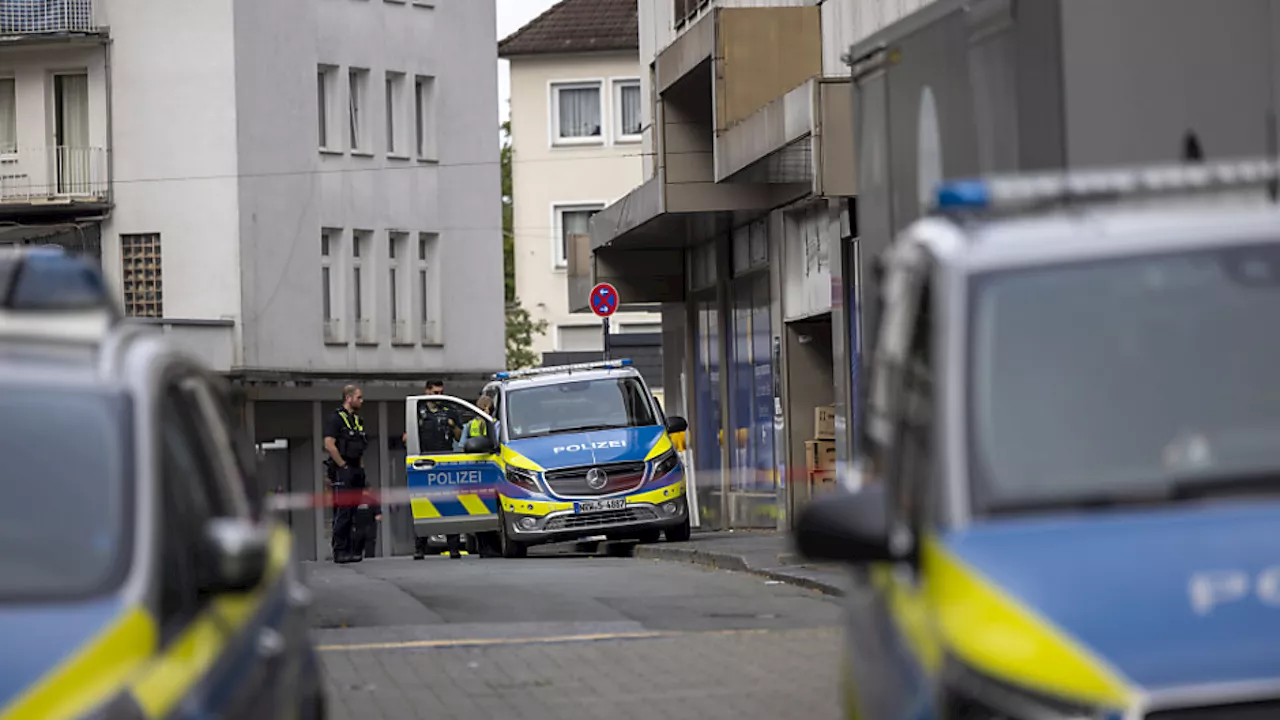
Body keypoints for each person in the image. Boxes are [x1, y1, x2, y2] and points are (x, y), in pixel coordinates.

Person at [410, 379, 464, 560]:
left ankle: (454, 547)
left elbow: (459, 436)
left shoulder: (450, 410)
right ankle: (420, 548)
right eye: (435, 393)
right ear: (427, 392)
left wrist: (452, 425)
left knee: (450, 504)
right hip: (425, 463)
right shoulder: (418, 411)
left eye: (441, 393)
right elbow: (407, 437)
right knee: (423, 504)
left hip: (446, 460)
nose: (439, 397)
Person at [324, 385, 369, 564]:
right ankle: (340, 550)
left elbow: (359, 450)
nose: (361, 401)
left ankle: (351, 550)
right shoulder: (336, 419)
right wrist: (342, 466)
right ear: (349, 398)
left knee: (353, 512)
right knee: (343, 512)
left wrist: (361, 470)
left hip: (357, 469)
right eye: (359, 397)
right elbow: (329, 444)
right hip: (343, 470)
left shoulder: (357, 421)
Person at [350, 489, 382, 559]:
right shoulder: (373, 501)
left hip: (356, 529)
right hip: (370, 529)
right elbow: (378, 517)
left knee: (356, 553)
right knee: (369, 552)